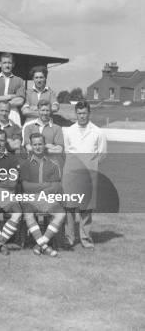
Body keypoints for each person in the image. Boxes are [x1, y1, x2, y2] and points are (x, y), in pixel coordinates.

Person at [62, 100, 107, 250]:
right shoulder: (68, 131)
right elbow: (67, 152)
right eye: (79, 113)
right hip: (72, 173)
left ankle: (86, 239)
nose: (82, 116)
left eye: (84, 113)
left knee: (86, 208)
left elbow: (102, 154)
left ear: (89, 113)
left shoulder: (98, 132)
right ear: (76, 114)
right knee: (69, 208)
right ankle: (69, 238)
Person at [21, 133, 66, 257]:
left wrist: (40, 190)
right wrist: (46, 185)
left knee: (61, 213)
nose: (37, 147)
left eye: (40, 144)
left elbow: (56, 186)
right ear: (30, 146)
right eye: (34, 144)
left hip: (47, 199)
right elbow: (26, 186)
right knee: (28, 214)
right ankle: (45, 246)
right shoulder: (25, 164)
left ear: (44, 145)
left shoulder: (53, 163)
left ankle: (40, 244)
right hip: (30, 199)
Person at [0, 53, 25, 126]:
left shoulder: (19, 80)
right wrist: (11, 96)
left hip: (13, 112)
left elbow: (20, 101)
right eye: (4, 63)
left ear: (13, 64)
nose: (7, 65)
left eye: (9, 63)